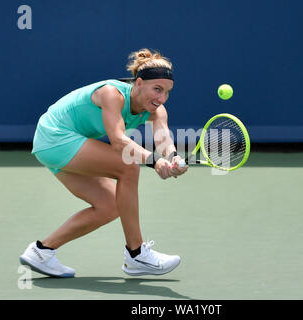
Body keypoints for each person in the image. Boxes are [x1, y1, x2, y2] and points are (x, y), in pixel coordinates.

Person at [19, 48, 188, 277]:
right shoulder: (112, 93)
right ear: (139, 83)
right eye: (157, 89)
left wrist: (172, 158)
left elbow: (163, 139)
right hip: (55, 135)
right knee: (128, 167)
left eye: (167, 92)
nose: (161, 98)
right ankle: (136, 254)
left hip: (57, 145)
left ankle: (42, 251)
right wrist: (154, 161)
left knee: (110, 205)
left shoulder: (157, 110)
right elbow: (118, 141)